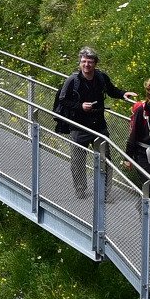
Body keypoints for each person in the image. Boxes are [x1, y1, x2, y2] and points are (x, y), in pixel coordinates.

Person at [52, 47, 126, 198]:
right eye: (84, 61)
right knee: (78, 161)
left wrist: (123, 94)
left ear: (95, 63)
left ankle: (105, 192)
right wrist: (80, 106)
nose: (87, 65)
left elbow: (111, 90)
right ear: (80, 63)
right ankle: (80, 188)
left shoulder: (101, 77)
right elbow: (63, 99)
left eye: (90, 62)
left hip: (98, 125)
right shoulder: (72, 80)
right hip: (78, 126)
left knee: (106, 160)